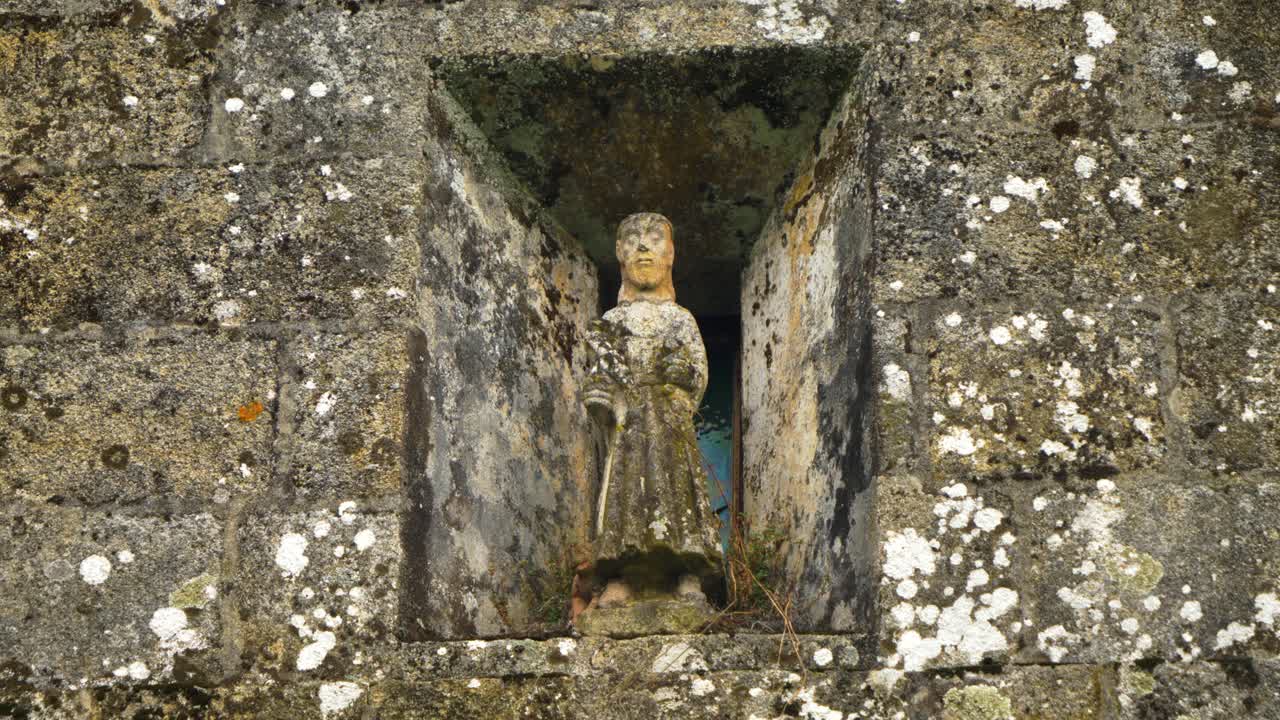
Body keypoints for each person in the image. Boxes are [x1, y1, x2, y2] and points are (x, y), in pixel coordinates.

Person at [578, 212, 723, 615]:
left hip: (669, 422)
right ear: (620, 255)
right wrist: (600, 397)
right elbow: (599, 380)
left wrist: (682, 377)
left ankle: (685, 575)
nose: (643, 246)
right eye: (632, 239)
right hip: (627, 426)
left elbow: (697, 372)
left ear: (670, 254)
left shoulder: (679, 319)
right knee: (624, 493)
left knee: (674, 490)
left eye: (655, 238)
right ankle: (623, 575)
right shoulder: (612, 322)